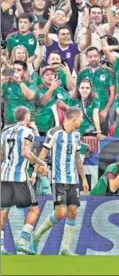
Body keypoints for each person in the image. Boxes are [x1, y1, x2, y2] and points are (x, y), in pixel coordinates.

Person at [33, 107, 89, 256]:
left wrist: (83, 178)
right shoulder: (55, 132)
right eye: (81, 118)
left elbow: (77, 158)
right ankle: (37, 235)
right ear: (74, 119)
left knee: (73, 212)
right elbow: (43, 153)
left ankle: (65, 248)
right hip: (58, 179)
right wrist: (34, 172)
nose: (82, 120)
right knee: (60, 213)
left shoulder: (77, 135)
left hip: (73, 180)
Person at [0, 107, 47, 255]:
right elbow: (26, 153)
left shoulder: (5, 132)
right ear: (27, 118)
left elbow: (1, 154)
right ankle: (22, 241)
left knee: (3, 211)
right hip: (20, 176)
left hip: (5, 176)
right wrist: (42, 163)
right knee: (34, 209)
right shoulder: (27, 132)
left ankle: (1, 246)